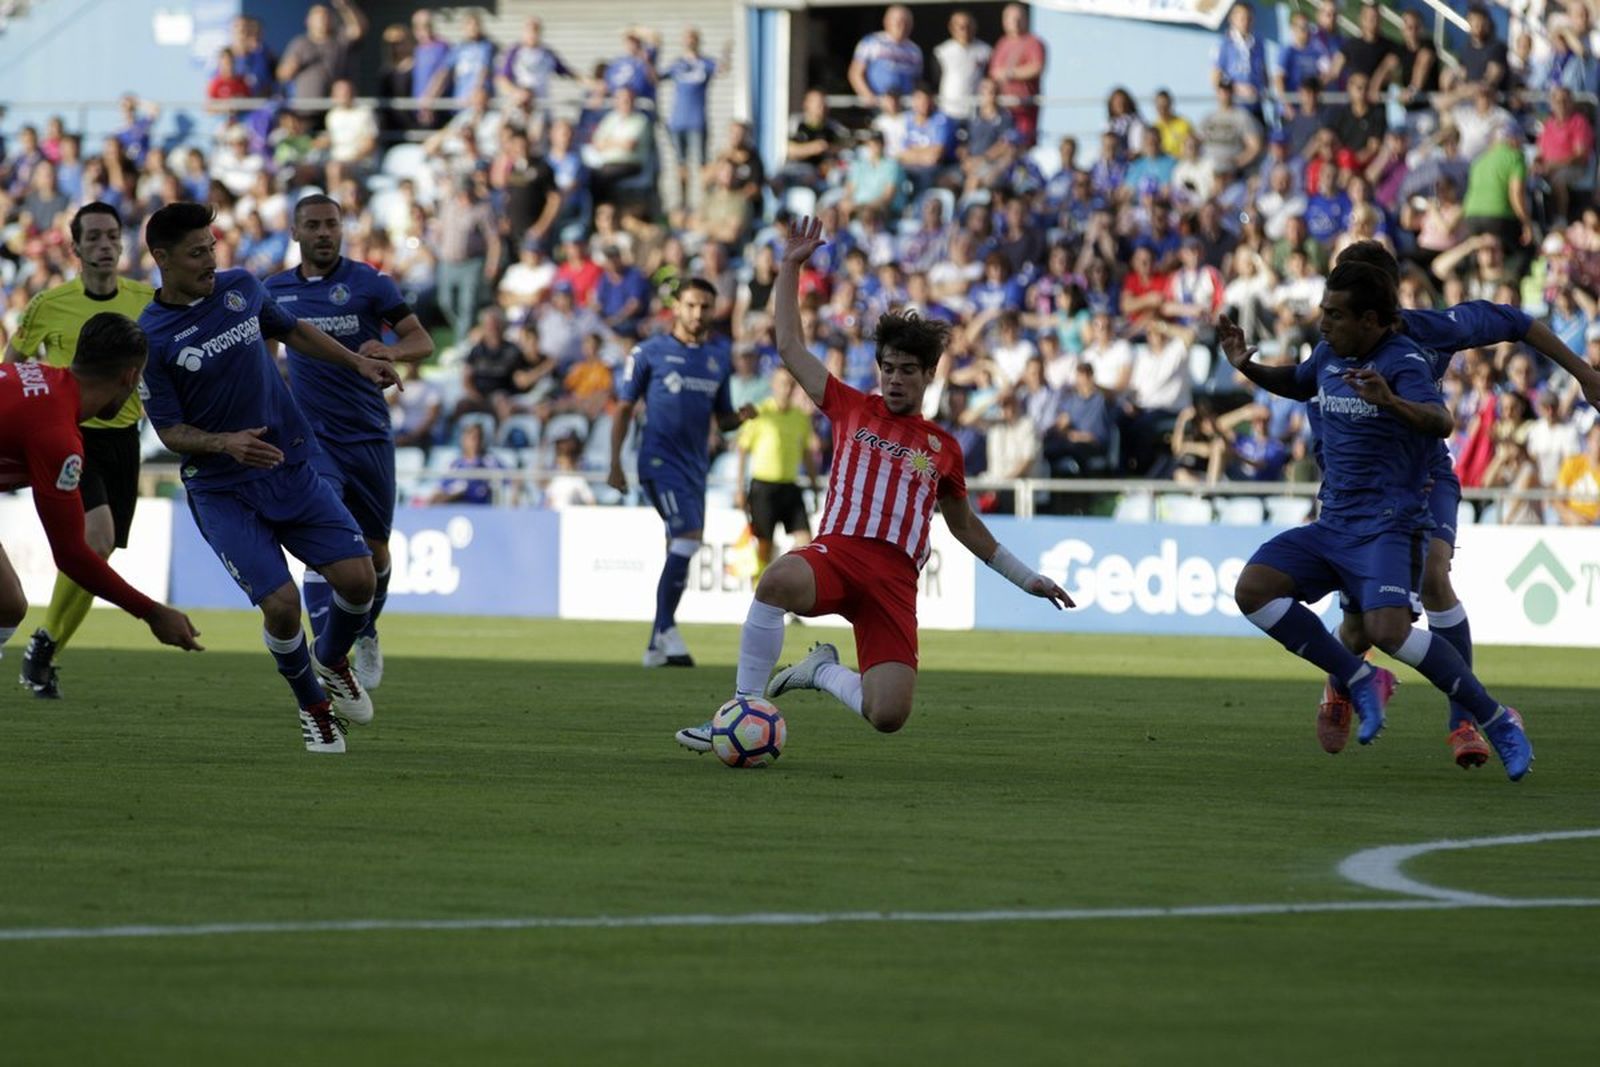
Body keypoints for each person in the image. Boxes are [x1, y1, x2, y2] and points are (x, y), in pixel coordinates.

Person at [674, 216, 1071, 753]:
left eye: (907, 369)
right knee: (775, 581)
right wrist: (790, 266)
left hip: (893, 584)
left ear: (929, 374)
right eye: (887, 367)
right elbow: (790, 346)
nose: (895, 378)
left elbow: (967, 528)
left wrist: (1028, 579)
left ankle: (818, 672)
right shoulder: (850, 406)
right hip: (837, 555)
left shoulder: (943, 448)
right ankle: (739, 708)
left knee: (888, 714)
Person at [1219, 261, 1534, 782]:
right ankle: (1359, 678)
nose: (1322, 323)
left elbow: (1441, 421)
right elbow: (1297, 380)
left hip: (1389, 523)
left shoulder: (1405, 360)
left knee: (1389, 626)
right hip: (1334, 521)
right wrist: (1246, 367)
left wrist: (1390, 400)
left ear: (1370, 319)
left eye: (1334, 315)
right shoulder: (1328, 354)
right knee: (1253, 589)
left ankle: (1494, 719)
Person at [138, 202, 400, 754]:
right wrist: (223, 443)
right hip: (223, 490)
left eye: (212, 247)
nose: (210, 259)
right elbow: (168, 430)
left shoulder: (241, 289)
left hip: (290, 465)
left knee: (360, 580)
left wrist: (356, 362)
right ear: (162, 259)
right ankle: (315, 707)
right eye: (196, 253)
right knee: (282, 605)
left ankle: (330, 660)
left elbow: (296, 332)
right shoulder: (153, 336)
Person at [266, 194, 434, 692]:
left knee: (377, 553)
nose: (323, 233)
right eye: (313, 225)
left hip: (368, 435)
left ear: (343, 228)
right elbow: (263, 360)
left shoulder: (370, 282)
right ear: (295, 232)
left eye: (332, 224)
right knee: (329, 544)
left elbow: (421, 340)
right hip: (312, 440)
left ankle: (367, 632)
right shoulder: (273, 291)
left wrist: (393, 350)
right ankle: (330, 657)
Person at [5, 203, 156, 699]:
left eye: (112, 236)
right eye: (93, 237)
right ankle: (42, 648)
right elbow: (15, 361)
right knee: (94, 540)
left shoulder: (147, 300)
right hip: (69, 429)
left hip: (123, 436)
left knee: (102, 548)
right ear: (75, 248)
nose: (104, 245)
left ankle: (47, 645)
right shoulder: (49, 304)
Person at [0, 314, 203, 675]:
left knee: (8, 604)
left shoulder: (41, 377)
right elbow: (72, 556)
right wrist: (152, 613)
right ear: (130, 377)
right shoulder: (58, 436)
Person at [608, 279, 754, 667]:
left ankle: (660, 642)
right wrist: (615, 463)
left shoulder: (718, 358)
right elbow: (624, 408)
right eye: (691, 305)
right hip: (659, 462)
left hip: (695, 467)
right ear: (675, 306)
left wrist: (739, 417)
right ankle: (663, 631)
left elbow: (721, 422)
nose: (698, 313)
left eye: (706, 306)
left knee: (684, 545)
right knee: (688, 537)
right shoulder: (649, 352)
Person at [735, 366, 819, 576]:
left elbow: (806, 453)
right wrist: (739, 488)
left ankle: (787, 583)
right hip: (763, 487)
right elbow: (743, 450)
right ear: (773, 385)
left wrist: (814, 483)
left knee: (805, 543)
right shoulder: (761, 412)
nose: (786, 389)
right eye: (782, 384)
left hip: (790, 486)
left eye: (790, 384)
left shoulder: (801, 417)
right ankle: (759, 595)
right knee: (764, 545)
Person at [989, 3, 1046, 147]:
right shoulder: (1002, 43)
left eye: (1019, 18)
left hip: (1024, 107)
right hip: (1004, 108)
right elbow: (993, 72)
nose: (1015, 22)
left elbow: (1036, 67)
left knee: (1022, 144)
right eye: (1011, 18)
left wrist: (1010, 73)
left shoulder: (1034, 42)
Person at [849, 5, 923, 110]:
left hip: (905, 107)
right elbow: (855, 73)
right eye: (898, 21)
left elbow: (917, 80)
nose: (901, 25)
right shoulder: (871, 42)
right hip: (878, 106)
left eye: (906, 21)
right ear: (886, 21)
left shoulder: (915, 50)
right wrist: (867, 96)